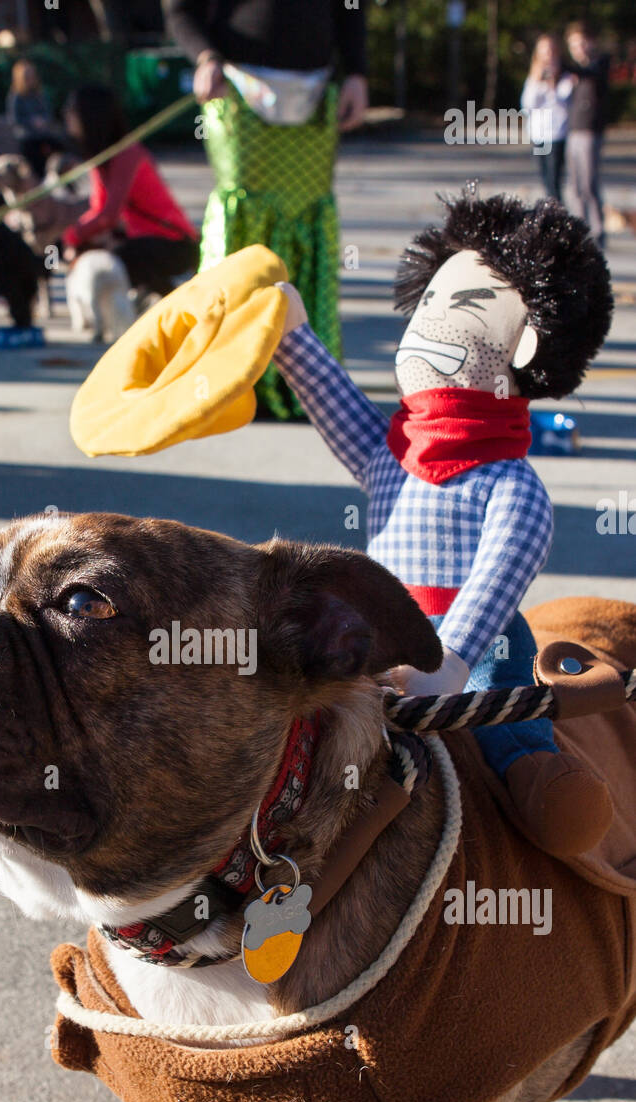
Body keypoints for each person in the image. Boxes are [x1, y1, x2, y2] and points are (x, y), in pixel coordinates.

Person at [271, 193, 614, 855]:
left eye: (455, 312)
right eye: (428, 305)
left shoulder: (510, 483)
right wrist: (292, 340)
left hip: (474, 641)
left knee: (501, 710)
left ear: (526, 343)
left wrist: (447, 658)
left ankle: (542, 781)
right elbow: (334, 403)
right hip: (379, 626)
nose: (425, 330)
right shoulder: (395, 452)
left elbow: (498, 579)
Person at [164, 0, 368, 419]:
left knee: (306, 213)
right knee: (244, 219)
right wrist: (205, 57)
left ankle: (306, 383)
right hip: (236, 86)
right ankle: (227, 379)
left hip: (315, 91)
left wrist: (358, 73)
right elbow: (180, 9)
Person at [61, 85, 199, 303]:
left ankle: (174, 302)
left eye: (72, 110)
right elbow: (100, 211)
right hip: (146, 241)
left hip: (175, 244)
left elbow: (108, 215)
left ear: (91, 116)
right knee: (101, 257)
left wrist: (70, 236)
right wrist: (74, 237)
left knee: (115, 262)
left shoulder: (126, 153)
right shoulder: (102, 157)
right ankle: (154, 300)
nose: (66, 116)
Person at [564, 19, 610, 247]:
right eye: (573, 45)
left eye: (581, 43)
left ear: (590, 42)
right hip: (573, 130)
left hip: (590, 132)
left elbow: (590, 73)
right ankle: (581, 230)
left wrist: (564, 67)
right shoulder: (575, 74)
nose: (578, 49)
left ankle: (598, 232)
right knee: (575, 187)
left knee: (590, 185)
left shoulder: (599, 63)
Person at [520, 34, 574, 201]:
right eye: (544, 51)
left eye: (551, 50)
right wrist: (538, 81)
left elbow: (565, 100)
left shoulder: (565, 75)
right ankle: (551, 212)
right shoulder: (534, 76)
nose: (548, 54)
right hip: (538, 134)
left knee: (554, 181)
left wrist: (552, 83)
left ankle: (558, 216)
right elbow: (527, 104)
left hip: (557, 133)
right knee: (544, 178)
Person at [6, 59, 59, 180]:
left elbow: (48, 113)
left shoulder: (39, 94)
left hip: (43, 135)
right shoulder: (16, 97)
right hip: (27, 137)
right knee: (35, 156)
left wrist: (43, 121)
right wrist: (31, 122)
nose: (30, 79)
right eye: (26, 76)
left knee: (58, 148)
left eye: (31, 76)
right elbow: (14, 120)